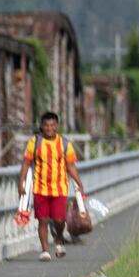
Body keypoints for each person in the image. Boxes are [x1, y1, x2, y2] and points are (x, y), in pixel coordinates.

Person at [18, 111, 84, 262]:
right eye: (46, 125)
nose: (49, 128)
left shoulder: (65, 144)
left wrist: (79, 184)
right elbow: (26, 163)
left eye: (52, 125)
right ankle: (45, 250)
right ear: (41, 126)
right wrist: (21, 183)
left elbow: (71, 166)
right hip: (40, 188)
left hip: (59, 188)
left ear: (57, 126)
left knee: (59, 219)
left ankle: (58, 239)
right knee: (43, 220)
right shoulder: (34, 142)